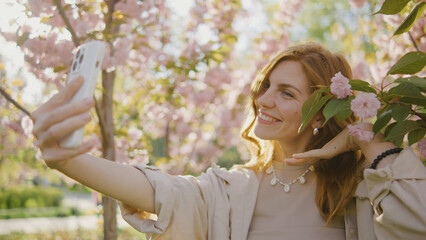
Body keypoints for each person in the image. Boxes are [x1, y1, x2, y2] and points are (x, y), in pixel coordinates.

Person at [30, 43, 426, 239]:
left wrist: (363, 141)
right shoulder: (236, 189)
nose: (264, 100)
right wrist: (66, 160)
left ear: (322, 113)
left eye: (287, 93)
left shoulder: (361, 188)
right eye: (266, 86)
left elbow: (416, 223)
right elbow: (161, 191)